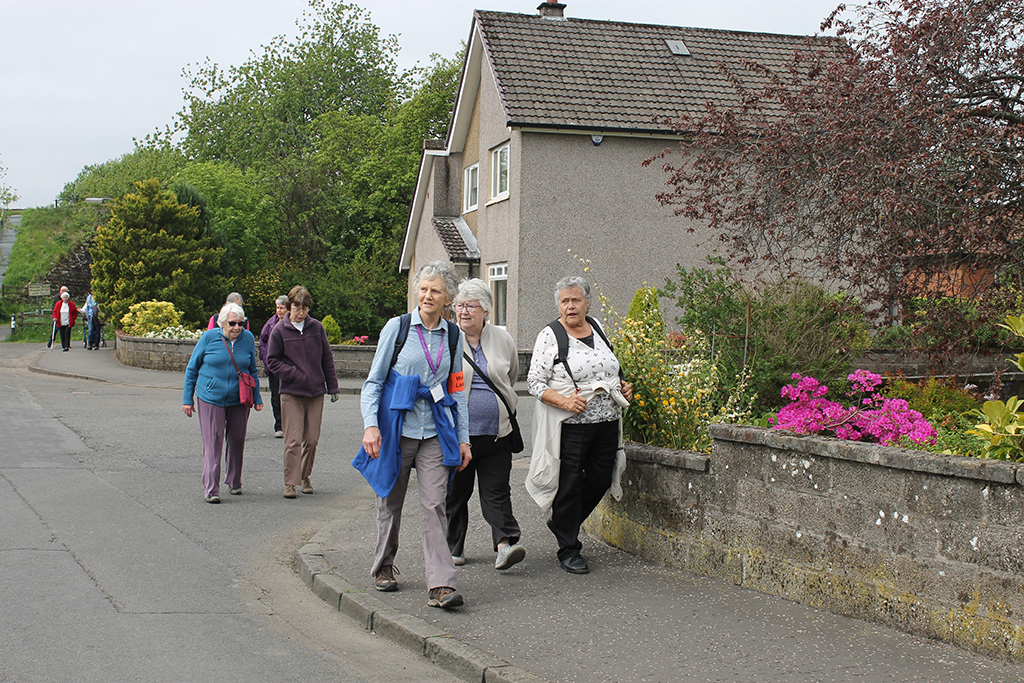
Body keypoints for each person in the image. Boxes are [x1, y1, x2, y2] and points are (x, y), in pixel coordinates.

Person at [355, 260, 471, 609]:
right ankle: (384, 566)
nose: (427, 296)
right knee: (390, 501)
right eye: (423, 289)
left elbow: (457, 389)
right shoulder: (399, 328)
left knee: (436, 504)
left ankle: (441, 585)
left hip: (435, 429)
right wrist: (370, 425)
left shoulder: (453, 336)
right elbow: (374, 382)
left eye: (435, 290)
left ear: (447, 297)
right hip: (397, 428)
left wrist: (463, 438)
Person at [526, 276, 633, 574]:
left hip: (607, 422)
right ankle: (569, 548)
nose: (570, 306)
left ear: (587, 302)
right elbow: (534, 382)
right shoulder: (550, 335)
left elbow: (609, 367)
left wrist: (623, 387)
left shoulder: (596, 327)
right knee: (570, 483)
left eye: (575, 300)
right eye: (564, 301)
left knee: (601, 478)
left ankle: (562, 522)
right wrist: (564, 402)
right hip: (571, 425)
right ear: (558, 305)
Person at [445, 278, 525, 571]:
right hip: (458, 436)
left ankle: (505, 546)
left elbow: (511, 376)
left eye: (471, 306)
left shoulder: (503, 339)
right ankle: (453, 547)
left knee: (497, 492)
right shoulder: (448, 338)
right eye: (460, 305)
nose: (464, 311)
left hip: (497, 435)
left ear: (486, 311)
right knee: (455, 493)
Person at [182, 302, 263, 503]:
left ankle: (234, 481)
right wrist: (187, 399)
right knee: (213, 442)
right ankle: (211, 489)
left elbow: (252, 370)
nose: (237, 328)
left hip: (239, 398)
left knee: (237, 439)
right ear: (222, 323)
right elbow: (192, 369)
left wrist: (258, 397)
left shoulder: (248, 339)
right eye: (232, 323)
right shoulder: (208, 338)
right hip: (211, 397)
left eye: (240, 324)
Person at [266, 285, 339, 499]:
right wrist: (294, 374)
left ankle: (305, 475)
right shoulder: (280, 330)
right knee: (293, 440)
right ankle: (290, 481)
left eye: (305, 309)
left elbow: (327, 358)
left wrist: (332, 386)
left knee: (312, 439)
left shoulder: (316, 328)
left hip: (315, 392)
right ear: (290, 306)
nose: (301, 313)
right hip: (291, 392)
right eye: (297, 308)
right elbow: (272, 361)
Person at [259, 295, 289, 438]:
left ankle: (291, 424)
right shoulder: (271, 323)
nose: (278, 310)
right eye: (277, 307)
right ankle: (279, 425)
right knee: (276, 396)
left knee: (289, 396)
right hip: (274, 366)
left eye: (281, 307)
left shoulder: (292, 323)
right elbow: (262, 342)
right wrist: (266, 359)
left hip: (288, 366)